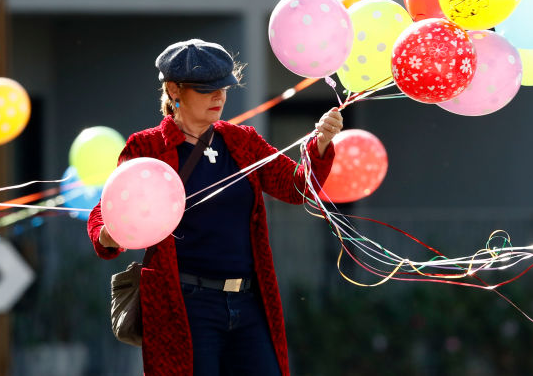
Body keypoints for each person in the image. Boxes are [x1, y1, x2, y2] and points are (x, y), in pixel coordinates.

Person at [87, 38, 342, 376]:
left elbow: (295, 187)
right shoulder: (146, 146)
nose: (219, 96)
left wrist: (320, 145)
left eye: (224, 87)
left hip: (249, 301)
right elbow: (105, 216)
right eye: (207, 89)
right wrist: (110, 234)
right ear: (174, 90)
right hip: (185, 306)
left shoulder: (243, 140)